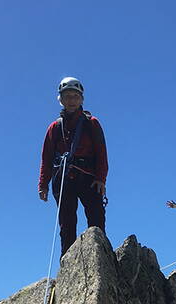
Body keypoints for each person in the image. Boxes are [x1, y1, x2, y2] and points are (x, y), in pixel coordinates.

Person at [38, 77, 108, 256]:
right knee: (66, 224)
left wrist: (101, 178)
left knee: (96, 219)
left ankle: (100, 257)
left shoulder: (91, 123)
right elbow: (46, 157)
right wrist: (43, 184)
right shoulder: (55, 127)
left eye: (75, 96)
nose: (71, 100)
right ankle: (67, 264)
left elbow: (101, 152)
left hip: (89, 178)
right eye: (67, 96)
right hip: (63, 179)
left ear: (81, 99)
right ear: (61, 99)